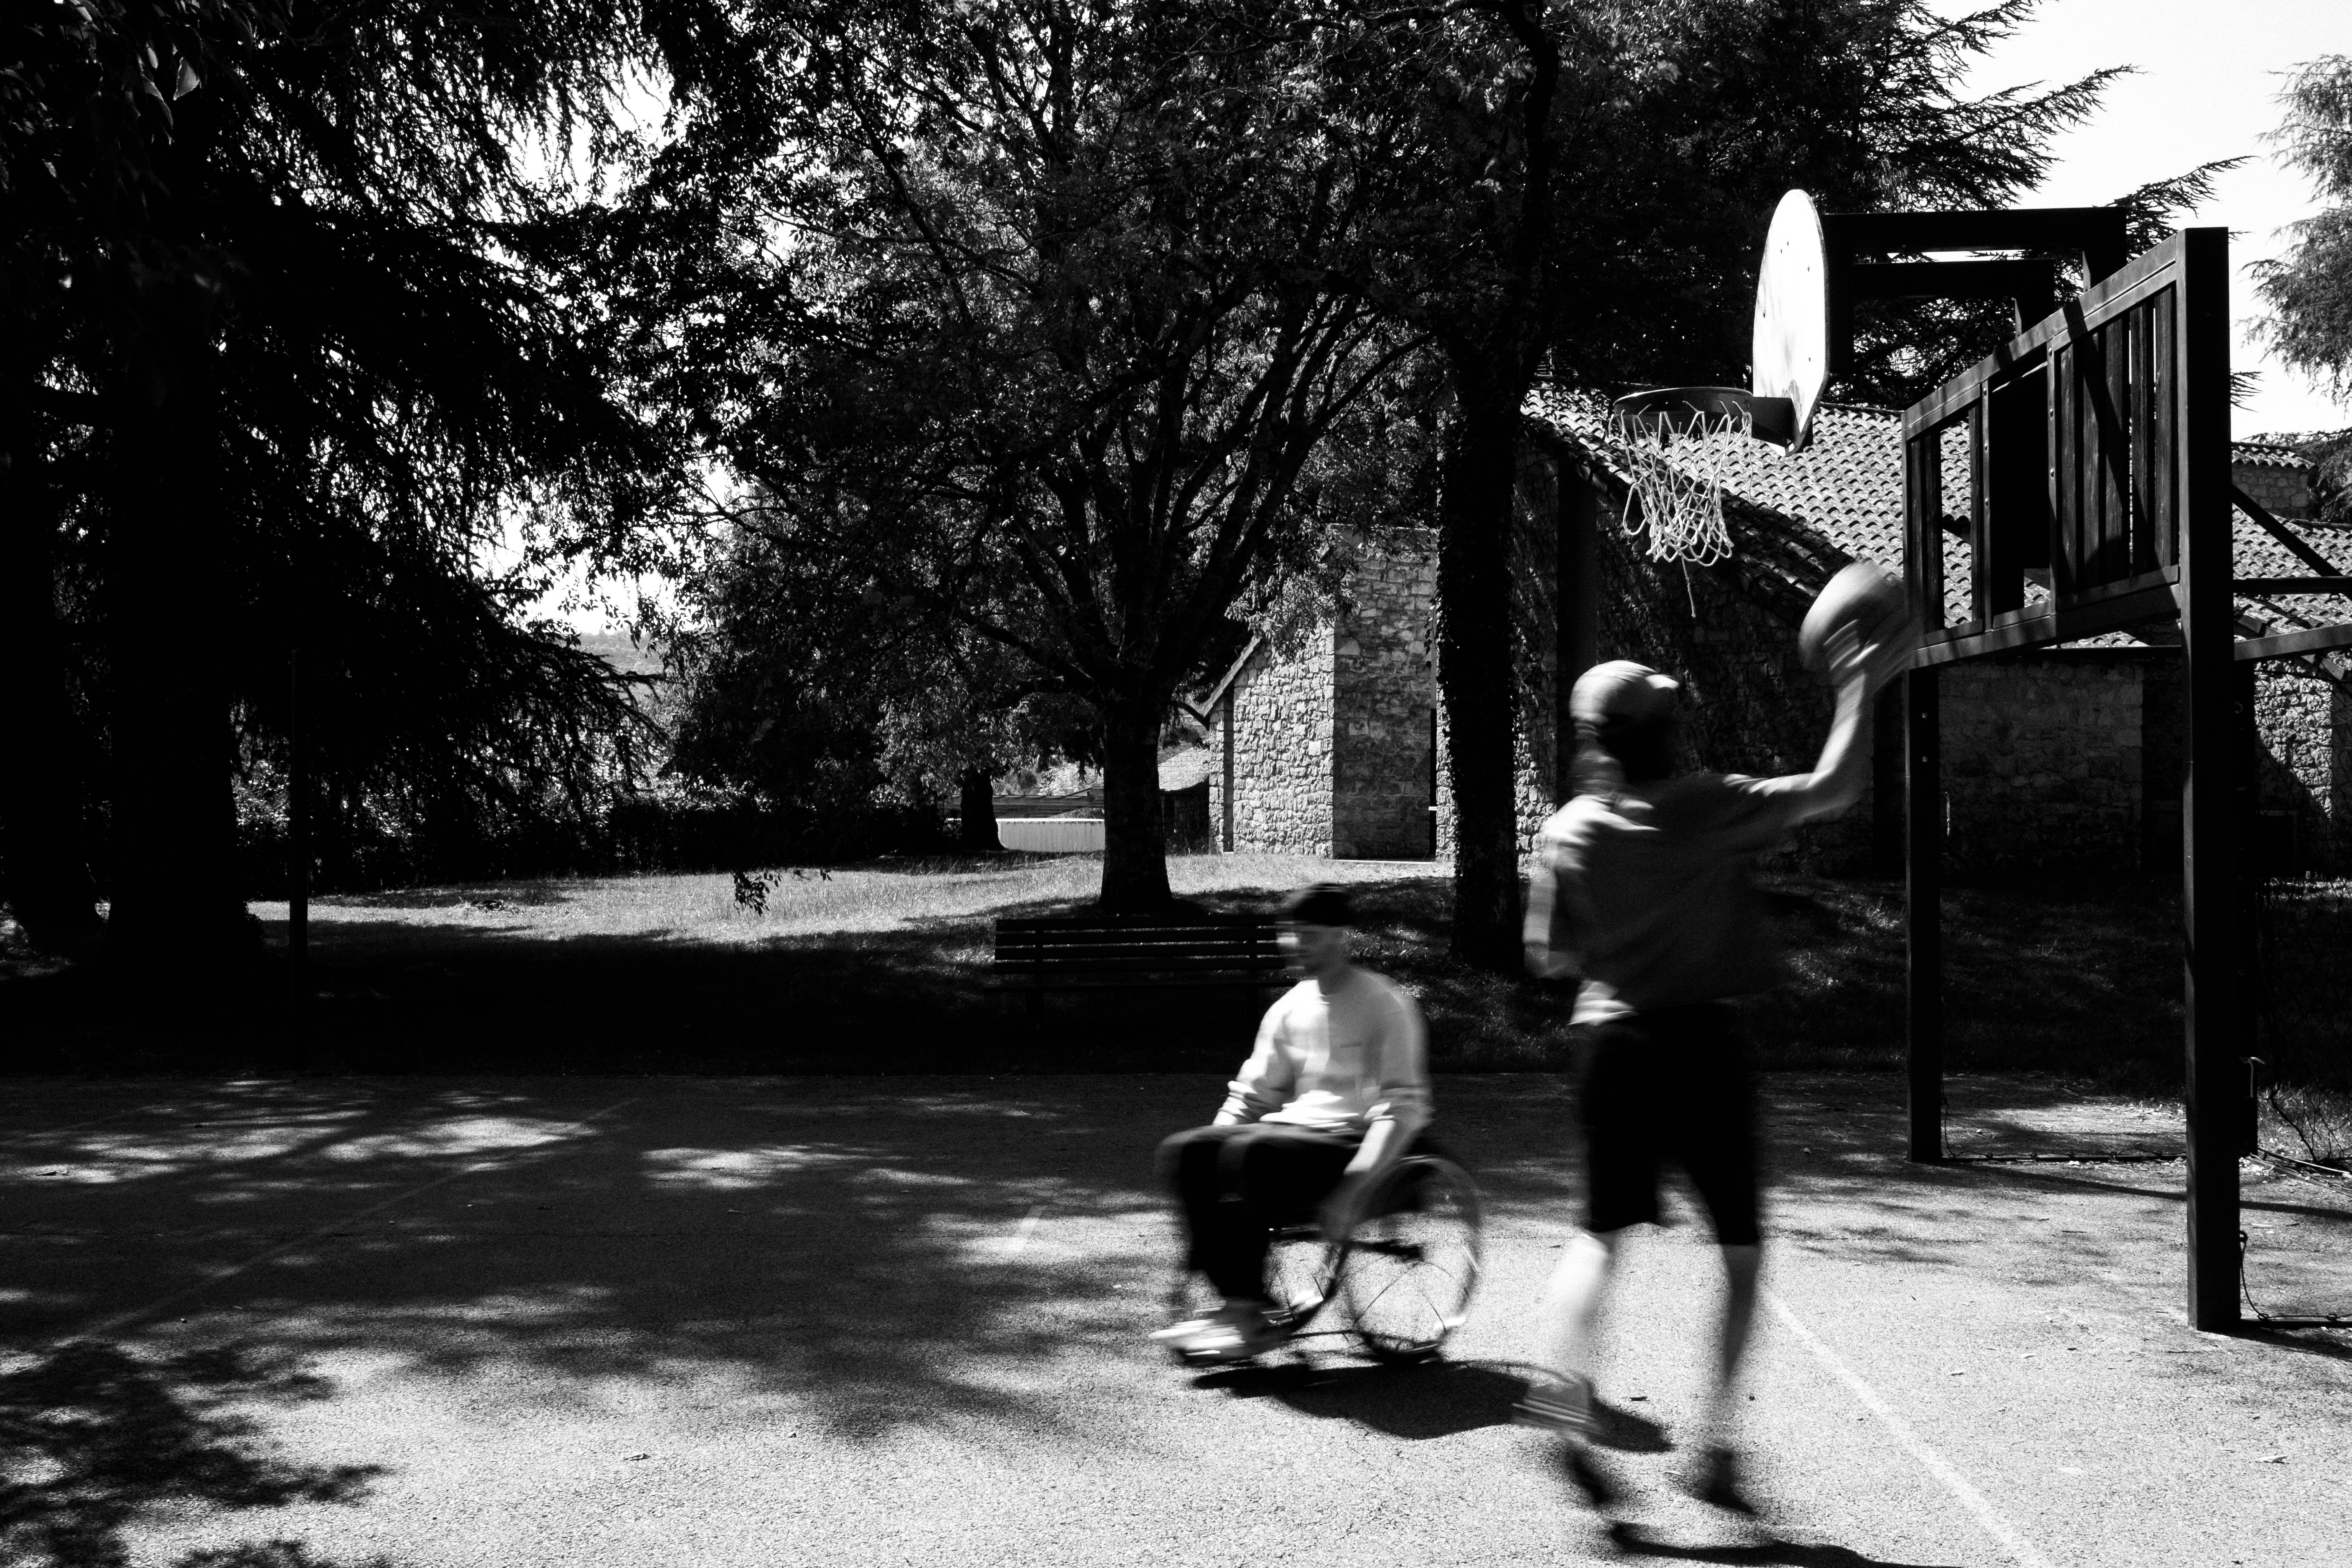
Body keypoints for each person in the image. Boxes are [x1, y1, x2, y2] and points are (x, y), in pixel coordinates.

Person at [1515, 631, 1892, 1510]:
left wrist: (1623, 928)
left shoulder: (1568, 828)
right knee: (1741, 1254)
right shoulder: (1707, 802)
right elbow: (1834, 788)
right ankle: (1718, 1444)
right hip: (1703, 1047)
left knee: (1597, 1235)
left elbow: (1544, 956)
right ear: (1658, 732)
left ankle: (1564, 1399)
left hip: (1612, 1045)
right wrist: (1858, 682)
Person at [1154, 883, 1432, 1363]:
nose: (1295, 944)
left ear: (1341, 936)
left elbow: (1402, 1108)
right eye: (1288, 933)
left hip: (1352, 1139)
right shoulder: (1288, 1009)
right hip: (1294, 1134)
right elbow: (1251, 1095)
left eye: (1309, 933)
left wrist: (1355, 1187)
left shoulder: (1385, 1003)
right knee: (1184, 1150)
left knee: (1247, 1156)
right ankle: (1243, 1303)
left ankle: (1247, 1311)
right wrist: (1214, 1143)